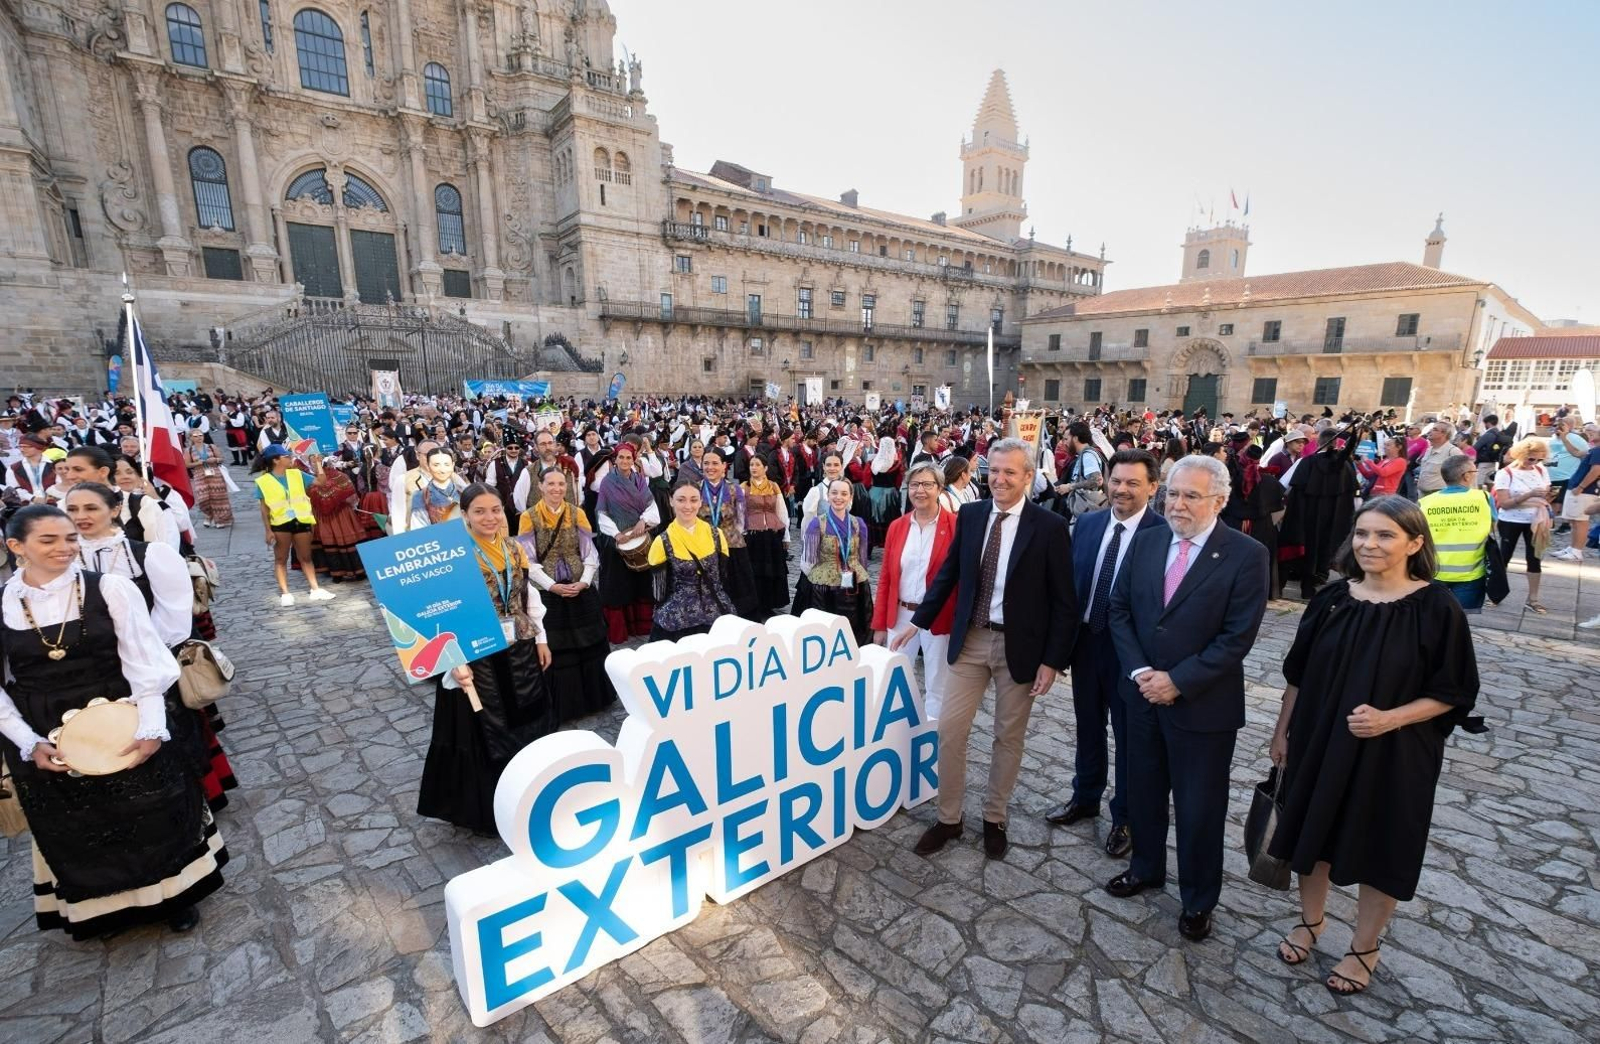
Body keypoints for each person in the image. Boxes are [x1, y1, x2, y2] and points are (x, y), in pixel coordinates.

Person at [1267, 496, 1480, 995]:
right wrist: (1282, 733)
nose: (1370, 544)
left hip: (1397, 754)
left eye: (1385, 535)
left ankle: (1365, 946)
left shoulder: (1437, 608)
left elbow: (1454, 693)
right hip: (1319, 739)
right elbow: (1297, 675)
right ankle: (1312, 920)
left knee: (1384, 845)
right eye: (1362, 533)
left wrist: (1391, 719)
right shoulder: (1331, 599)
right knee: (1311, 835)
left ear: (1415, 543)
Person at [0, 505, 225, 938]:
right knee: (80, 821)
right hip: (43, 724)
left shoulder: (111, 588)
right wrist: (27, 742)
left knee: (149, 809)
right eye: (49, 540)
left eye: (69, 538)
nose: (65, 547)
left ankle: (172, 895)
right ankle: (103, 908)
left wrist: (151, 727)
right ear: (16, 546)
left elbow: (145, 662)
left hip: (122, 711)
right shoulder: (4, 605)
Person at [1104, 455, 1269, 942]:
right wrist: (1140, 672)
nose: (1176, 504)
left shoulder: (1245, 554)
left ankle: (1198, 899)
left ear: (1218, 500)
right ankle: (1145, 868)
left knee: (1199, 809)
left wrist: (1177, 680)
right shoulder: (1149, 539)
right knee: (1144, 793)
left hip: (1201, 707)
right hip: (1141, 697)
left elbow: (1237, 637)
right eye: (1172, 494)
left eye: (1190, 496)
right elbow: (1119, 609)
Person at [892, 438, 1077, 861]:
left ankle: (995, 818)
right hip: (971, 640)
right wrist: (916, 621)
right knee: (949, 730)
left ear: (1028, 477)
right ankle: (949, 818)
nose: (1000, 479)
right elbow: (949, 576)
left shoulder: (1047, 528)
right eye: (993, 470)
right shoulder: (971, 516)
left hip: (1021, 648)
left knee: (1007, 737)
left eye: (1010, 471)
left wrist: (1053, 660)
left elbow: (1065, 601)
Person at [63, 482, 239, 812]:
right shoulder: (63, 565)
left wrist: (136, 651)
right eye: (72, 510)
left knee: (173, 738)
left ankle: (194, 803)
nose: (81, 517)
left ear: (114, 510)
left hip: (152, 663)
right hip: (97, 670)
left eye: (91, 508)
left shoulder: (148, 554)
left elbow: (174, 617)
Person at [1046, 449, 1167, 858]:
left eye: (1133, 483)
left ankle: (1126, 817)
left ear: (1152, 486)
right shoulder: (1088, 524)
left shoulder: (1164, 535)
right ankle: (1085, 797)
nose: (1121, 489)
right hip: (1086, 643)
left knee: (1130, 738)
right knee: (1088, 726)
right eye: (1116, 480)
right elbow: (1070, 589)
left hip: (1132, 656)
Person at [417, 484, 552, 834]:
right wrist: (453, 662)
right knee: (488, 730)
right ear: (465, 515)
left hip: (519, 648)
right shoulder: (454, 555)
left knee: (527, 717)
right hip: (478, 657)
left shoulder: (512, 548)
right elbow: (443, 612)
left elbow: (526, 595)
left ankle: (527, 793)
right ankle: (490, 808)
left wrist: (541, 638)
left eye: (495, 509)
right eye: (479, 511)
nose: (489, 517)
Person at [517, 467, 615, 723]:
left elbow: (589, 553)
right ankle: (564, 705)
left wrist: (583, 582)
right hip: (549, 590)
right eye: (551, 484)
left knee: (590, 641)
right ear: (540, 486)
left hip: (578, 586)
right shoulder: (529, 517)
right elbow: (528, 560)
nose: (557, 489)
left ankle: (596, 698)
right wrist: (552, 586)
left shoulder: (577, 513)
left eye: (561, 484)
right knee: (558, 647)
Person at [870, 462, 956, 717]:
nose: (920, 490)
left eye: (927, 484)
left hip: (937, 617)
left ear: (940, 488)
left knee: (937, 684)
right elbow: (886, 577)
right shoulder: (898, 526)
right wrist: (878, 625)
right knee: (895, 680)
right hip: (901, 614)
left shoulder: (955, 526)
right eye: (914, 484)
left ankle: (931, 741)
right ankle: (898, 738)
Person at [647, 482, 734, 640]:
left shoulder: (717, 535)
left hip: (717, 618)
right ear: (671, 501)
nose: (688, 506)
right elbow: (659, 593)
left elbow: (723, 578)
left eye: (693, 500)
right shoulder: (662, 542)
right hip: (677, 623)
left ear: (701, 502)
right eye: (681, 500)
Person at [594, 439, 659, 642]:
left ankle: (641, 627)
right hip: (616, 542)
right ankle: (621, 631)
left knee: (641, 583)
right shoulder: (607, 482)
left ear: (633, 459)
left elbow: (651, 506)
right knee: (618, 586)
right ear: (615, 459)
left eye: (628, 457)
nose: (624, 460)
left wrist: (643, 521)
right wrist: (617, 534)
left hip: (639, 536)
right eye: (621, 457)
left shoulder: (640, 480)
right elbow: (601, 513)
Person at [795, 478, 874, 644]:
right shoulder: (817, 524)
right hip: (824, 589)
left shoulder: (858, 524)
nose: (839, 497)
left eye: (844, 493)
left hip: (853, 583)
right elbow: (809, 560)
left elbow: (862, 558)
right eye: (834, 493)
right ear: (828, 496)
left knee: (853, 627)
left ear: (850, 497)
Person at [253, 445, 333, 606]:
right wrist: (268, 530)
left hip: (301, 520)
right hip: (280, 523)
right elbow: (264, 508)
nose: (290, 458)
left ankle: (315, 589)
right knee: (281, 559)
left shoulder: (297, 474)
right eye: (286, 456)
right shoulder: (263, 481)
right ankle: (285, 593)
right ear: (276, 460)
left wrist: (318, 464)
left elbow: (321, 482)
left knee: (306, 557)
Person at [1420, 456, 1496, 612]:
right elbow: (1493, 527)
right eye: (1474, 471)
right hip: (1470, 574)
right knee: (1460, 619)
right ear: (1466, 476)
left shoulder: (1426, 502)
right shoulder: (1483, 498)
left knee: (1433, 616)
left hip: (1434, 571)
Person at [698, 450, 762, 619]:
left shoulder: (734, 490)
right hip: (704, 548)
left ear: (724, 466)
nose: (710, 467)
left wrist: (729, 537)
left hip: (732, 547)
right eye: (706, 463)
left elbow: (742, 521)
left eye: (714, 463)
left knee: (738, 591)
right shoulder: (695, 489)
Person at [1493, 436, 1553, 614]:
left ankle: (1533, 599)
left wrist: (1548, 497)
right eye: (1531, 458)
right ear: (1520, 454)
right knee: (1504, 557)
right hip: (1511, 519)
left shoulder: (1541, 470)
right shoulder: (1505, 473)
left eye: (1539, 458)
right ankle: (1495, 594)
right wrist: (1530, 494)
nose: (1534, 462)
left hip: (1535, 519)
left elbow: (1547, 492)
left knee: (1534, 559)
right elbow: (1504, 503)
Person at [741, 454, 791, 619]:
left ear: (765, 468)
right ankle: (754, 604)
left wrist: (786, 537)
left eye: (757, 465)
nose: (754, 468)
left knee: (771, 572)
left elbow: (781, 510)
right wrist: (740, 533)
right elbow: (740, 513)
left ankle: (769, 604)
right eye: (752, 465)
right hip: (753, 536)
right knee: (754, 572)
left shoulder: (774, 486)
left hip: (772, 535)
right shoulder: (744, 487)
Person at [307, 455, 368, 582]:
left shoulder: (311, 479)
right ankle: (357, 571)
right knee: (346, 539)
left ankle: (336, 573)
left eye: (315, 462)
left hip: (325, 517)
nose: (313, 464)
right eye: (312, 462)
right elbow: (351, 496)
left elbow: (310, 496)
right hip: (342, 514)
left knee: (330, 542)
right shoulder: (340, 476)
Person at [409, 447, 472, 530]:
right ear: (428, 466)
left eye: (446, 464)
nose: (442, 469)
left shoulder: (463, 491)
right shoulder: (420, 496)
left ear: (452, 465)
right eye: (436, 465)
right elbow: (419, 529)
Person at [184, 428, 234, 528]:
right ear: (191, 438)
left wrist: (215, 459)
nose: (199, 438)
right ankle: (209, 515)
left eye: (200, 435)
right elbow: (187, 464)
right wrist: (199, 462)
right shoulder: (188, 450)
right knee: (203, 498)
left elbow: (221, 459)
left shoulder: (211, 447)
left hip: (214, 473)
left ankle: (220, 519)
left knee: (218, 497)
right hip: (199, 474)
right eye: (196, 436)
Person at [1414, 421, 1464, 496]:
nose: (1429, 431)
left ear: (1444, 434)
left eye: (1435, 429)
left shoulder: (1453, 451)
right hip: (1422, 494)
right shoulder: (1429, 449)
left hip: (1439, 496)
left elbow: (1464, 475)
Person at [1356, 432, 1408, 498]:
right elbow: (1370, 475)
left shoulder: (1400, 461)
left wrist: (1368, 461)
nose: (1384, 447)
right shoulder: (1385, 460)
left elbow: (1383, 472)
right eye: (1385, 445)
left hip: (1385, 495)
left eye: (1388, 445)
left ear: (1399, 447)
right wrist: (1359, 465)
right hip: (1374, 493)